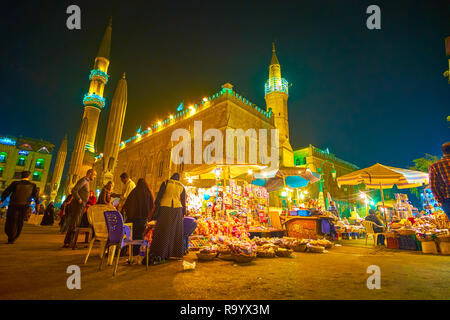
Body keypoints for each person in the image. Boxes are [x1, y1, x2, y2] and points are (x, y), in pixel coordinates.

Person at [148, 173, 186, 264]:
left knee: (163, 231)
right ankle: (174, 253)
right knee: (175, 232)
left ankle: (160, 253)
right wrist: (183, 213)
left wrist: (156, 211)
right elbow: (183, 202)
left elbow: (159, 197)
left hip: (165, 208)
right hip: (177, 210)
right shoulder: (181, 186)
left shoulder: (166, 183)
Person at [0, 171, 40, 244]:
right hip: (24, 206)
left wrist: (2, 200)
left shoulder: (15, 183)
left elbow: (6, 192)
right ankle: (15, 236)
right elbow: (35, 196)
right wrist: (37, 203)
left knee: (11, 220)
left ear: (21, 177)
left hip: (13, 204)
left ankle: (10, 236)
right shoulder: (33, 185)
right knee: (20, 220)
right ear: (28, 177)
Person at [63, 169, 96, 248]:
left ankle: (70, 241)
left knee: (76, 222)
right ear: (90, 173)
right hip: (79, 204)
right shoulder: (84, 180)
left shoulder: (87, 182)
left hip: (82, 205)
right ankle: (68, 242)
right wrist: (79, 199)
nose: (94, 177)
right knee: (74, 222)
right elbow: (74, 190)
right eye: (94, 175)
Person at [122, 178, 155, 256]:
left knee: (130, 234)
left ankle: (127, 251)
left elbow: (127, 204)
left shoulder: (134, 192)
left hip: (132, 218)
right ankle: (136, 252)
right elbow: (152, 205)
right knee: (140, 234)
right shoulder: (148, 193)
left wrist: (130, 213)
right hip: (143, 218)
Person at [429, 142, 450, 220]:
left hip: (448, 199)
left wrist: (441, 200)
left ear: (443, 152)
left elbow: (433, 186)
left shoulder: (435, 166)